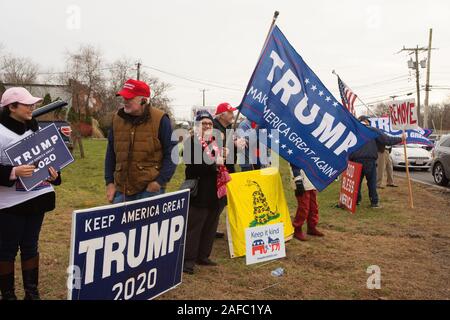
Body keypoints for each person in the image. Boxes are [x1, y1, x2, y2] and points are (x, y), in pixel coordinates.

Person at [0, 87, 61, 300]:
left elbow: (49, 160)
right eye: (27, 104)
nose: (32, 107)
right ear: (11, 107)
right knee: (6, 251)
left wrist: (55, 175)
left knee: (30, 246)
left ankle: (32, 294)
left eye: (32, 104)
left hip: (36, 199)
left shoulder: (35, 129)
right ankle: (8, 295)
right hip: (9, 204)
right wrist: (12, 172)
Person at [104, 79, 177, 203]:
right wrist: (110, 183)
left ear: (144, 100)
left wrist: (159, 182)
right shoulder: (117, 119)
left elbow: (173, 153)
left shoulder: (161, 119)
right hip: (121, 191)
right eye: (124, 97)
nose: (125, 101)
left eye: (129, 98)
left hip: (150, 191)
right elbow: (111, 152)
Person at [183, 110, 231, 274]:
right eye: (204, 123)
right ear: (197, 126)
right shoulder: (191, 142)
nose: (208, 126)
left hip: (215, 192)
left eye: (210, 123)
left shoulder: (215, 142)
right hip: (200, 191)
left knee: (211, 225)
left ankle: (203, 256)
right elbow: (193, 167)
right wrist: (213, 163)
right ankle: (188, 260)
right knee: (195, 226)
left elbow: (226, 165)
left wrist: (225, 155)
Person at [350, 116, 403, 208]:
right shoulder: (373, 130)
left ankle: (356, 201)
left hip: (356, 160)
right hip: (369, 160)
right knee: (371, 182)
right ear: (367, 122)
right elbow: (387, 140)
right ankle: (374, 202)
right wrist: (401, 139)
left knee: (356, 182)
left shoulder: (353, 131)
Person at [212, 102, 246, 238]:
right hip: (216, 170)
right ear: (222, 115)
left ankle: (217, 226)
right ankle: (210, 227)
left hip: (229, 168)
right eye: (230, 112)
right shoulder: (214, 127)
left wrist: (236, 145)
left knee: (226, 199)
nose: (233, 115)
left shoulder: (229, 127)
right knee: (217, 200)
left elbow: (229, 147)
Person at [290, 164, 323, 241]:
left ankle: (311, 227)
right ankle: (297, 229)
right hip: (301, 181)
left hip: (311, 180)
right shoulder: (297, 152)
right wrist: (298, 180)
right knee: (304, 207)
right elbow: (294, 164)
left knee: (313, 206)